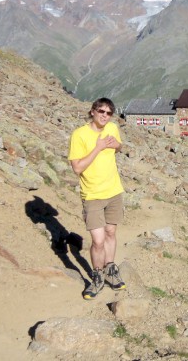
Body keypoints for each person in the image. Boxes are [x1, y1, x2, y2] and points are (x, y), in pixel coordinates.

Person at [68, 97, 126, 300]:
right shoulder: (80, 134)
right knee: (98, 241)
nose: (105, 116)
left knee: (111, 232)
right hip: (92, 194)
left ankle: (111, 270)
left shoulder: (112, 128)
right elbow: (77, 168)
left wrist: (116, 145)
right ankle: (97, 276)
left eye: (109, 113)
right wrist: (98, 147)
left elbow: (119, 148)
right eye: (101, 111)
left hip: (113, 191)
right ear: (92, 111)